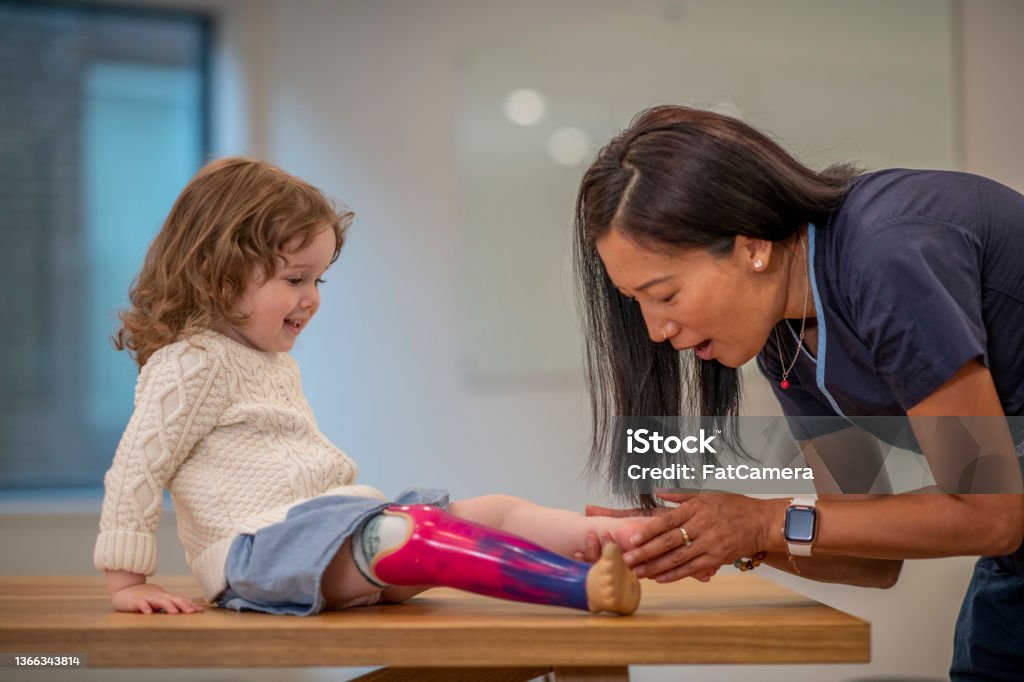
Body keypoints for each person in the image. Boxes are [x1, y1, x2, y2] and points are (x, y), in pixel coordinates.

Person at [572, 105, 1024, 679]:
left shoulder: (887, 258)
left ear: (752, 247)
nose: (656, 331)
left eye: (664, 293)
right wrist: (709, 540)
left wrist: (760, 523)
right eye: (638, 302)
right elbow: (869, 559)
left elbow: (988, 514)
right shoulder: (785, 339)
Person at [94, 157, 644, 618]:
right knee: (418, 532)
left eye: (318, 279)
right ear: (218, 274)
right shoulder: (188, 362)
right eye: (294, 279)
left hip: (334, 536)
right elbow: (137, 470)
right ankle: (579, 586)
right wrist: (128, 582)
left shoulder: (267, 361)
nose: (311, 298)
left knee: (491, 509)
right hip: (261, 554)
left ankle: (617, 542)